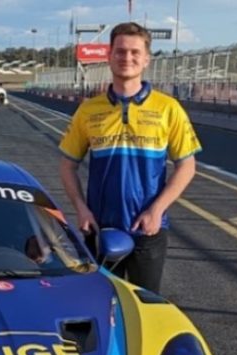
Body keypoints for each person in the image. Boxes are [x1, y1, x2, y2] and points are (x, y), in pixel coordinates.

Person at [58, 22, 200, 294]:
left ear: (146, 59)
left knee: (145, 309)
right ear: (110, 56)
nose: (127, 58)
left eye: (135, 52)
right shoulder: (89, 110)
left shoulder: (168, 108)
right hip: (100, 229)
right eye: (120, 51)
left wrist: (156, 210)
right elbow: (67, 166)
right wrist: (81, 208)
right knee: (98, 304)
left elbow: (187, 166)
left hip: (148, 230)